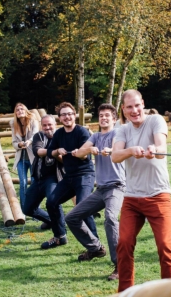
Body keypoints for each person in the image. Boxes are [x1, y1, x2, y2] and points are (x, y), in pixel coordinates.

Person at [112, 89, 171, 292]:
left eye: (137, 105)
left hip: (158, 196)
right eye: (129, 107)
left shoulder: (156, 120)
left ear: (143, 104)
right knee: (123, 244)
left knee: (165, 247)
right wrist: (131, 150)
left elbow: (161, 148)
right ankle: (125, 292)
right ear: (123, 109)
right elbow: (115, 156)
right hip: (132, 198)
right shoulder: (122, 130)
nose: (134, 110)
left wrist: (153, 150)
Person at [65, 103, 125, 281]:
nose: (104, 118)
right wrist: (89, 149)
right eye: (101, 115)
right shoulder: (96, 136)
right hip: (101, 189)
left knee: (110, 219)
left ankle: (120, 265)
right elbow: (79, 154)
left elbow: (117, 148)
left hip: (116, 187)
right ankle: (96, 248)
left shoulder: (118, 134)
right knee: (72, 217)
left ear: (114, 119)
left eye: (107, 115)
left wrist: (110, 150)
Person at [42, 102, 97, 249]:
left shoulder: (82, 132)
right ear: (60, 118)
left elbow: (86, 155)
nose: (67, 117)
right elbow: (50, 152)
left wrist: (79, 153)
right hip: (69, 176)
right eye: (64, 114)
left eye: (70, 114)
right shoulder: (59, 134)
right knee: (51, 202)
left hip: (85, 175)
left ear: (74, 116)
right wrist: (57, 151)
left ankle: (95, 244)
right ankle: (60, 236)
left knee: (82, 205)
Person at [22, 115, 64, 231]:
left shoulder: (61, 136)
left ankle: (61, 232)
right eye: (44, 125)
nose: (47, 127)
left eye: (50, 124)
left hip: (53, 177)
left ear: (55, 124)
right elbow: (37, 151)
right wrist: (54, 152)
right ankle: (52, 221)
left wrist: (56, 154)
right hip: (38, 177)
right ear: (41, 126)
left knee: (53, 202)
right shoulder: (39, 135)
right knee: (28, 208)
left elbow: (64, 159)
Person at [10, 103, 39, 207]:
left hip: (32, 158)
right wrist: (19, 144)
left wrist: (29, 142)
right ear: (15, 113)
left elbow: (36, 135)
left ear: (26, 111)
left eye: (22, 109)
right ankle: (24, 208)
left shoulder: (33, 120)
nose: (20, 111)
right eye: (17, 110)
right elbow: (13, 142)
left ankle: (35, 207)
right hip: (21, 159)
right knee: (23, 184)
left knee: (34, 183)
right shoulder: (14, 124)